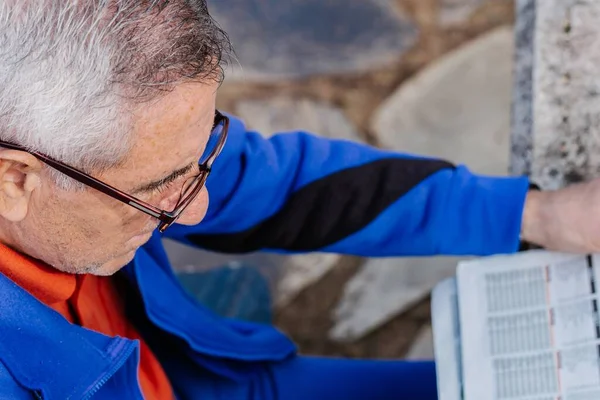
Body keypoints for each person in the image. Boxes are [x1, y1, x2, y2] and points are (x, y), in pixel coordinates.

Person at [0, 1, 596, 399]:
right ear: (14, 180)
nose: (201, 208)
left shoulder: (105, 147)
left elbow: (283, 189)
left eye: (204, 154)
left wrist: (540, 214)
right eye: (159, 192)